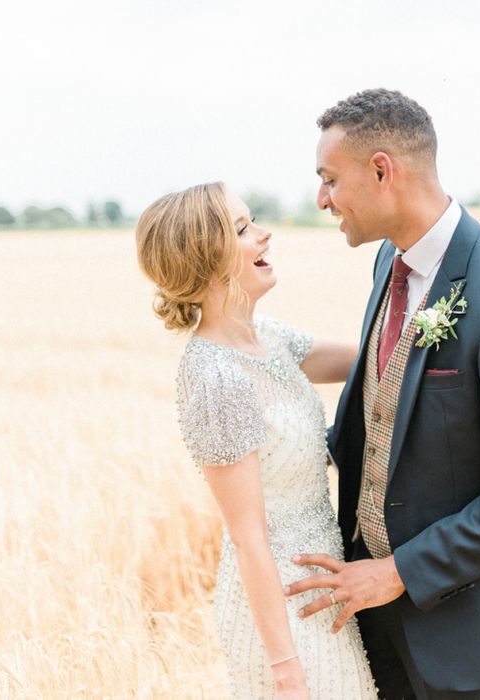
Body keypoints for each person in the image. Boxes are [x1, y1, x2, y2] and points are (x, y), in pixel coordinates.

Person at [284, 89, 480, 699]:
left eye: (330, 179)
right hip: (372, 622)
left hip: (471, 636)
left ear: (382, 170)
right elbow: (385, 415)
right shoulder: (389, 261)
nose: (322, 199)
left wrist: (395, 573)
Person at [134, 183, 378, 699]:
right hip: (279, 610)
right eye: (243, 229)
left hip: (324, 591)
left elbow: (370, 361)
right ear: (207, 257)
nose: (265, 234)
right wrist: (285, 665)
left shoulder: (269, 337)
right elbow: (248, 537)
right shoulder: (215, 378)